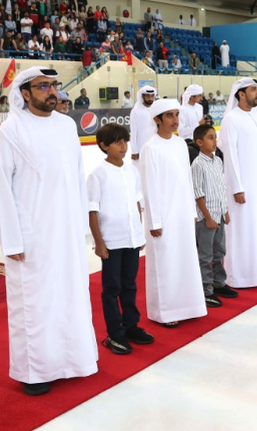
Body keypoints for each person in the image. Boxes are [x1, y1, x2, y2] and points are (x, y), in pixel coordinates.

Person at [0, 67, 98, 396]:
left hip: (65, 231)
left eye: (54, 85)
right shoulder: (10, 131)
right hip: (32, 234)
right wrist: (11, 239)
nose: (52, 91)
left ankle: (72, 360)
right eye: (43, 86)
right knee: (35, 303)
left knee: (69, 296)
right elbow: (0, 190)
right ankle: (34, 371)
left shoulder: (66, 126)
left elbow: (77, 177)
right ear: (25, 93)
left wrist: (81, 226)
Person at [138, 98, 207, 326]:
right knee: (165, 263)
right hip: (163, 216)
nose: (175, 120)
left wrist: (191, 209)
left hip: (182, 213)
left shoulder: (180, 145)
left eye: (176, 115)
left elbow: (186, 181)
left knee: (185, 259)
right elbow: (149, 187)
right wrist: (154, 221)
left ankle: (187, 306)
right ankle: (164, 312)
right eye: (169, 116)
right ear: (157, 120)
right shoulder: (150, 148)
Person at [87, 124, 154, 355]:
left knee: (130, 284)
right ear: (104, 146)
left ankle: (131, 325)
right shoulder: (97, 175)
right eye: (117, 142)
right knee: (111, 288)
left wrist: (138, 232)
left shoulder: (131, 171)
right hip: (112, 241)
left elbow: (137, 203)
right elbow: (92, 211)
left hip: (131, 238)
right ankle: (114, 333)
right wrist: (99, 243)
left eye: (125, 141)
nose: (123, 146)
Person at [220, 77, 257, 287]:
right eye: (253, 89)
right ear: (241, 94)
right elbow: (230, 156)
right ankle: (241, 275)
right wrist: (236, 186)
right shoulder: (231, 119)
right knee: (244, 229)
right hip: (244, 186)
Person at [192, 124, 238, 308]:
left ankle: (219, 282)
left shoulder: (218, 161)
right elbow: (198, 193)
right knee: (206, 254)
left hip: (218, 214)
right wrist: (208, 217)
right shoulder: (197, 164)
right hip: (206, 219)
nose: (214, 141)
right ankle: (206, 290)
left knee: (219, 251)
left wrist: (225, 211)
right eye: (210, 138)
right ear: (199, 142)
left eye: (215, 137)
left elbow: (221, 188)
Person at [130, 86, 158, 162]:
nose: (150, 98)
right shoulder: (136, 111)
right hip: (141, 146)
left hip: (155, 146)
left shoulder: (156, 109)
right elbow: (133, 132)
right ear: (143, 96)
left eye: (152, 96)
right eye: (148, 96)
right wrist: (134, 151)